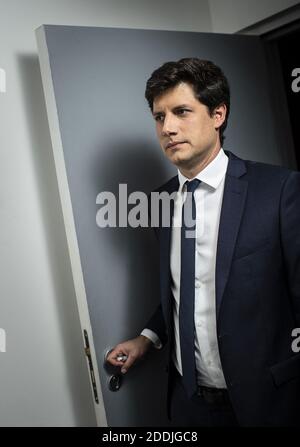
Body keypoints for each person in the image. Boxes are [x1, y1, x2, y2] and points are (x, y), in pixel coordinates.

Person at [107, 58, 300, 426]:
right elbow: (186, 289)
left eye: (181, 111)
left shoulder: (278, 190)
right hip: (190, 405)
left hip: (270, 402)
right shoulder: (161, 202)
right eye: (159, 117)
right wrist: (147, 337)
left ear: (218, 115)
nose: (168, 127)